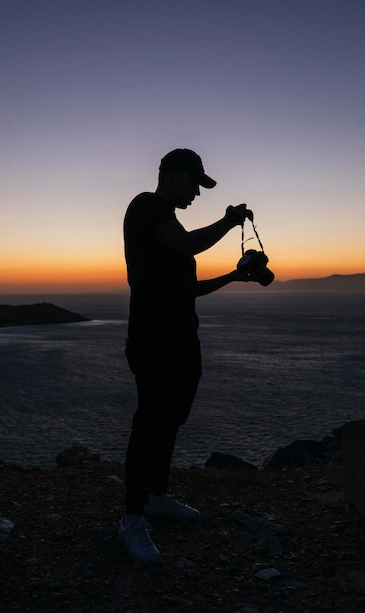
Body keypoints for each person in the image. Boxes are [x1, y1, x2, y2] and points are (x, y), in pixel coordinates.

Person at [120, 148, 262, 565]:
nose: (197, 193)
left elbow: (188, 289)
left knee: (170, 419)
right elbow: (185, 245)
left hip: (183, 339)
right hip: (153, 338)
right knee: (149, 422)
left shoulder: (170, 224)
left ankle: (157, 496)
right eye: (195, 184)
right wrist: (229, 219)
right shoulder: (146, 208)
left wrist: (236, 276)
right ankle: (131, 520)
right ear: (172, 175)